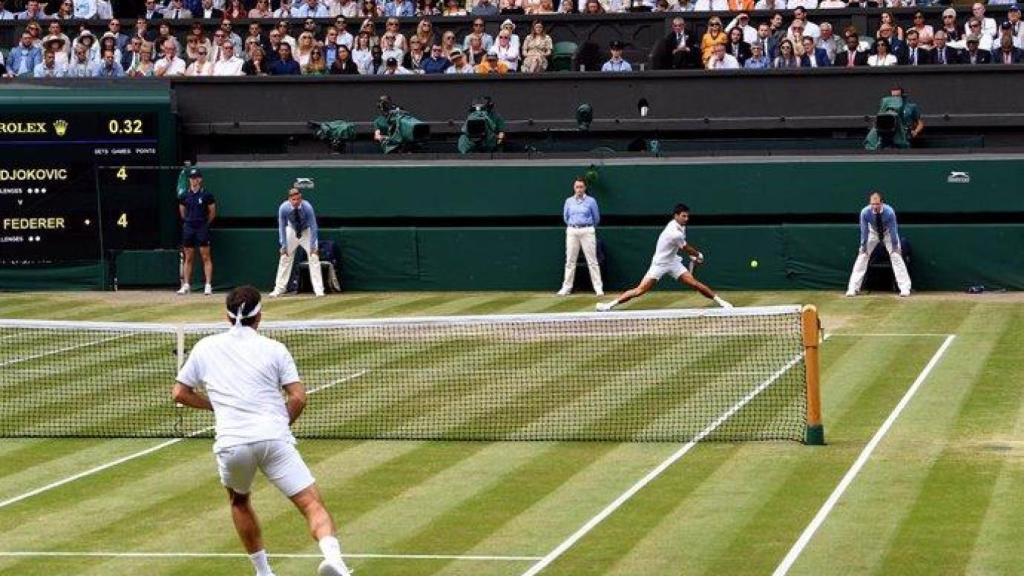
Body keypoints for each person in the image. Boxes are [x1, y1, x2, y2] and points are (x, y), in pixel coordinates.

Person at [171, 286, 352, 576]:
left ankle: (264, 572)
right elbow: (298, 397)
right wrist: (281, 425)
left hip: (232, 444)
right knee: (311, 504)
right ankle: (335, 561)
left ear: (227, 316)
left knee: (239, 501)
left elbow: (179, 393)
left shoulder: (205, 347)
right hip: (274, 439)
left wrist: (215, 407)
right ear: (259, 317)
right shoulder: (275, 349)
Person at [597, 204, 732, 311]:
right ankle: (608, 305)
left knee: (694, 283)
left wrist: (692, 255)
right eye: (684, 216)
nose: (686, 219)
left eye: (687, 216)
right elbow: (685, 247)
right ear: (676, 216)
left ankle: (721, 302)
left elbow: (682, 247)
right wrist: (697, 255)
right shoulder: (674, 232)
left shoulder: (681, 227)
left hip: (673, 261)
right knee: (639, 290)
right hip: (659, 264)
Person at [845, 191, 911, 297]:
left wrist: (895, 247)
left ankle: (905, 288)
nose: (874, 206)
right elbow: (864, 231)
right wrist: (863, 246)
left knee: (896, 256)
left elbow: (894, 230)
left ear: (882, 203)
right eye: (872, 204)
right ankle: (853, 288)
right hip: (872, 232)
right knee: (862, 256)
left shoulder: (889, 212)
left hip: (888, 232)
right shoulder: (865, 212)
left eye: (877, 204)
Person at [270, 187, 324, 297]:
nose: (296, 202)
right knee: (285, 257)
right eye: (293, 199)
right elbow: (282, 226)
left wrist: (313, 244)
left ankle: (319, 289)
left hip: (306, 231)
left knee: (314, 257)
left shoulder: (307, 207)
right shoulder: (283, 208)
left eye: (298, 199)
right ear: (289, 199)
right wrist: (283, 244)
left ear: (301, 199)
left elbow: (313, 225)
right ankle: (279, 289)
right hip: (291, 230)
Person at [558, 177, 603, 296]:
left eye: (581, 187)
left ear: (585, 188)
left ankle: (598, 288)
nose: (579, 189)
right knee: (570, 261)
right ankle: (566, 288)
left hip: (587, 230)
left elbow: (596, 218)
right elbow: (566, 217)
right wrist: (574, 226)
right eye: (577, 187)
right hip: (572, 230)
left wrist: (587, 226)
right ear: (574, 188)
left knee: (592, 261)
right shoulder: (568, 201)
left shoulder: (591, 201)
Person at [177, 168, 216, 296]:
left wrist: (204, 223)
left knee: (205, 256)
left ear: (200, 179)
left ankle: (208, 285)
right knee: (188, 257)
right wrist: (189, 222)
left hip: (202, 227)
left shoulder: (207, 195)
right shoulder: (184, 196)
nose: (194, 180)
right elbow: (182, 212)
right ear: (189, 180)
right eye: (192, 178)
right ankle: (187, 285)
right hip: (189, 227)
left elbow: (212, 212)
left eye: (196, 178)